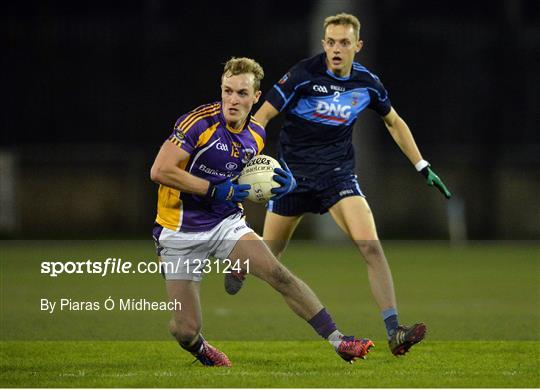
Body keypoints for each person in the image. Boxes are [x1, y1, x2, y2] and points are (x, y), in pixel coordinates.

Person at [225, 14, 452, 356]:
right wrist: (242, 158)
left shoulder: (367, 84)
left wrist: (422, 165)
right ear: (323, 44)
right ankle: (241, 264)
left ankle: (395, 332)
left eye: (344, 42)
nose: (336, 48)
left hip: (337, 175)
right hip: (291, 179)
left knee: (371, 247)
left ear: (357, 46)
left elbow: (394, 121)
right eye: (330, 42)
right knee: (270, 260)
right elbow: (262, 117)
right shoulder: (302, 76)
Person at [150, 57, 374, 367]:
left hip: (225, 222)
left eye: (242, 93)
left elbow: (247, 182)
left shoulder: (255, 135)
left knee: (278, 274)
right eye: (227, 91)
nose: (232, 99)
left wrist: (283, 184)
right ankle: (199, 348)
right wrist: (214, 189)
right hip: (179, 230)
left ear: (256, 97)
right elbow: (160, 170)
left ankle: (339, 340)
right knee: (186, 329)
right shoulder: (198, 123)